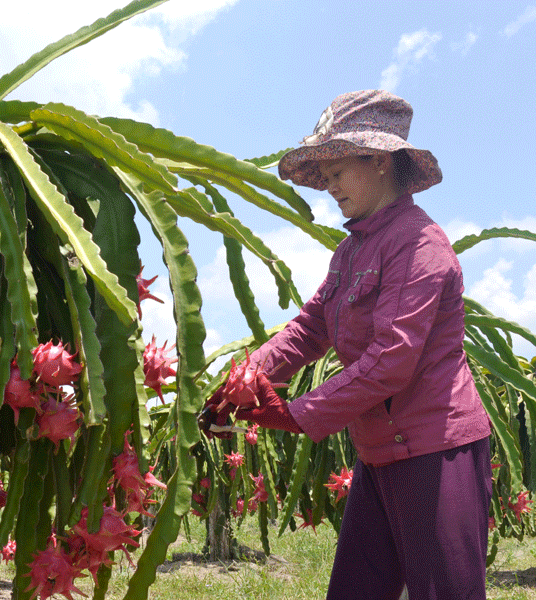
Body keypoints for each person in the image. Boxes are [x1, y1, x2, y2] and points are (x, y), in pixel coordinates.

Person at [200, 90, 493, 600]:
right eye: (323, 175)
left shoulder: (420, 245)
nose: (329, 186)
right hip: (378, 451)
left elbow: (390, 361)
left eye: (335, 169)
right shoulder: (350, 250)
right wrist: (244, 379)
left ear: (379, 160)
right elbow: (310, 328)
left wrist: (295, 413)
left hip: (436, 450)